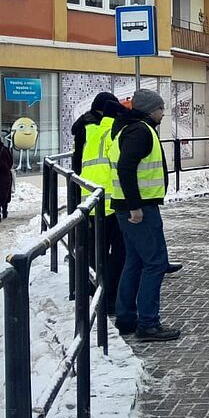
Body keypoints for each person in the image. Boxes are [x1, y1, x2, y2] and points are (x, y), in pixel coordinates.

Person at [107, 89, 180, 342]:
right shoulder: (140, 131)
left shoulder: (126, 129)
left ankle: (127, 318)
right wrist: (135, 206)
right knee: (155, 263)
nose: (163, 113)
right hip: (140, 210)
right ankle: (148, 323)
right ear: (150, 110)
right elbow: (126, 168)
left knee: (135, 262)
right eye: (160, 108)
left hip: (127, 206)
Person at [73, 92, 127, 315]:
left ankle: (94, 290)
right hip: (110, 198)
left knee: (96, 249)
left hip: (90, 197)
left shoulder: (85, 128)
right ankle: (108, 297)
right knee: (117, 250)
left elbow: (78, 163)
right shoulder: (104, 130)